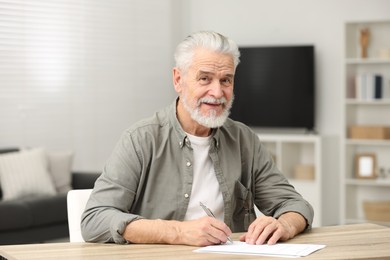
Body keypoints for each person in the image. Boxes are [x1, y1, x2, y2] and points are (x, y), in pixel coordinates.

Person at [81, 31, 314, 246]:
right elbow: (94, 220)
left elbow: (295, 205)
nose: (217, 92)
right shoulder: (140, 139)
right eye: (205, 78)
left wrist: (283, 224)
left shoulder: (245, 140)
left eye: (226, 80)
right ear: (178, 80)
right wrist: (178, 232)